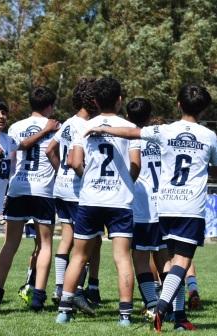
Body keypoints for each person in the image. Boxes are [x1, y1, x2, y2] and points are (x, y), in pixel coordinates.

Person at [84, 83, 217, 331]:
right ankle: (160, 307)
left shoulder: (164, 130)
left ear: (179, 104)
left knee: (170, 262)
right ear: (203, 109)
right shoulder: (209, 136)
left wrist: (101, 127)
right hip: (190, 206)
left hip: (165, 205)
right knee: (181, 262)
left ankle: (179, 318)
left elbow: (132, 133)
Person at [56, 77, 141, 326]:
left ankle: (64, 310)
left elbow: (74, 161)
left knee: (79, 256)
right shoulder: (129, 127)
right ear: (119, 100)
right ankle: (125, 316)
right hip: (119, 201)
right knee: (122, 257)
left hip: (90, 199)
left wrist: (89, 178)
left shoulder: (84, 126)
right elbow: (136, 165)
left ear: (94, 101)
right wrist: (125, 181)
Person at [0, 97, 57, 299]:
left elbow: (24, 144)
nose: (1, 116)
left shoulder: (8, 140)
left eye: (3, 112)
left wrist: (45, 130)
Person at [0, 86, 60, 312]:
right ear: (50, 106)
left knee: (10, 244)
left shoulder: (16, 126)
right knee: (45, 244)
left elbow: (13, 156)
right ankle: (38, 297)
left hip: (18, 187)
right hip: (43, 190)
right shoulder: (56, 126)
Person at [46, 77, 100, 315]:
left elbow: (50, 150)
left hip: (61, 189)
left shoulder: (68, 122)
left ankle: (60, 288)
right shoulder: (86, 125)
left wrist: (61, 173)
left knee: (67, 239)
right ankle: (75, 290)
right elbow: (73, 159)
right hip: (78, 191)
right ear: (94, 100)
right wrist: (84, 174)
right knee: (84, 244)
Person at [123, 98, 171, 319]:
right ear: (150, 115)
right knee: (166, 259)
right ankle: (170, 306)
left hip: (141, 206)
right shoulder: (161, 137)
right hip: (163, 205)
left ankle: (152, 305)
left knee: (140, 258)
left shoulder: (128, 139)